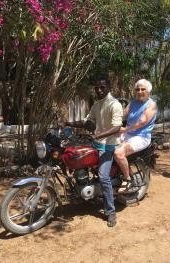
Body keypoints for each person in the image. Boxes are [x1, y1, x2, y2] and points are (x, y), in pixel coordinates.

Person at [66, 79, 123, 227]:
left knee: (104, 176)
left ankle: (110, 211)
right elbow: (86, 121)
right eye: (96, 87)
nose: (99, 90)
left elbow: (117, 127)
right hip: (96, 143)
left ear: (108, 88)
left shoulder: (115, 104)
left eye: (102, 87)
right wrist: (67, 123)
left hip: (109, 145)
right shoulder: (96, 105)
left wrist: (99, 135)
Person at [114, 79, 157, 193]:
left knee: (118, 153)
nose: (140, 91)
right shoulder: (133, 103)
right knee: (103, 145)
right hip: (127, 134)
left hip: (141, 137)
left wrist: (125, 129)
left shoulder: (151, 105)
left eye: (143, 89)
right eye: (137, 89)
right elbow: (122, 115)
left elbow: (142, 122)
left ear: (148, 91)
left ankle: (127, 179)